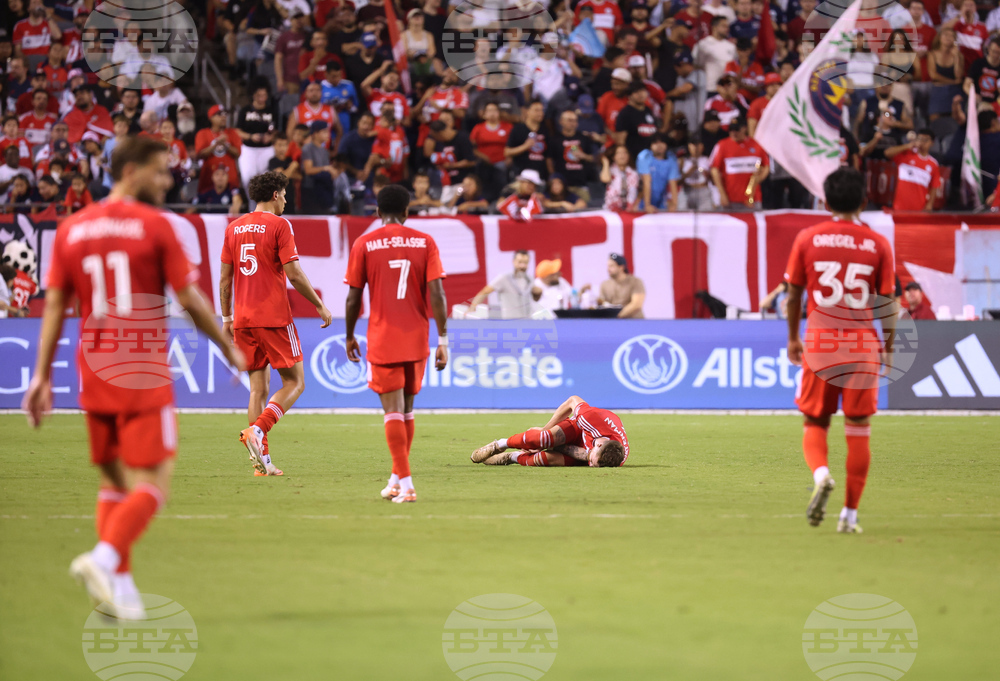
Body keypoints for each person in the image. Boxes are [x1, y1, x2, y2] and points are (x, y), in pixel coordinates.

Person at [22, 136, 245, 619]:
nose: (167, 181)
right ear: (130, 171)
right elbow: (188, 298)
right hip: (142, 368)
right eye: (159, 171)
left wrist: (41, 376)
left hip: (94, 367)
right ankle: (103, 558)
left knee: (113, 481)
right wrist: (227, 347)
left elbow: (56, 305)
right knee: (154, 482)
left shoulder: (73, 228)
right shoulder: (155, 225)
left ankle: (119, 588)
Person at [784, 167, 896, 534]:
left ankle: (821, 475)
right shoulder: (878, 244)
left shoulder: (808, 238)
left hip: (821, 343)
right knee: (858, 428)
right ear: (864, 200)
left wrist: (793, 337)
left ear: (825, 201)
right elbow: (887, 303)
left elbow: (794, 295)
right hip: (862, 345)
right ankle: (849, 515)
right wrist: (888, 346)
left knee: (815, 422)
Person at [221, 171, 332, 477]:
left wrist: (227, 318)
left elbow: (225, 279)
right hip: (273, 317)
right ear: (274, 195)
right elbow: (293, 273)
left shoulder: (233, 227)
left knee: (257, 388)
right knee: (296, 382)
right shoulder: (280, 225)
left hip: (243, 320)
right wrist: (319, 304)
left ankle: (263, 462)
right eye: (284, 195)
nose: (285, 201)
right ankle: (258, 429)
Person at [344, 184, 449, 503]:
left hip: (384, 337)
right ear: (406, 212)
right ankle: (395, 480)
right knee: (406, 410)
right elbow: (437, 294)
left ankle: (407, 485)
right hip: (416, 337)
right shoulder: (425, 241)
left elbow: (352, 298)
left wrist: (349, 335)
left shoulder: (364, 243)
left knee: (392, 412)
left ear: (377, 212)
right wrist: (443, 339)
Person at [470, 395, 629, 467]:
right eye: (592, 462)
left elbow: (586, 456)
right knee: (542, 439)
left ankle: (512, 457)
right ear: (599, 445)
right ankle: (499, 445)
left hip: (585, 446)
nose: (590, 465)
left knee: (543, 459)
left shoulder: (616, 458)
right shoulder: (590, 418)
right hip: (577, 429)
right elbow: (572, 400)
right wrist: (545, 429)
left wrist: (552, 449)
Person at [709, 116, 768, 208]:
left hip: (753, 199)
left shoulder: (756, 145)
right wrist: (722, 194)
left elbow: (766, 166)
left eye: (736, 130)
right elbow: (714, 170)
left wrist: (759, 179)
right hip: (730, 199)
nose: (733, 133)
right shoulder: (722, 145)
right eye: (731, 130)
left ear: (744, 128)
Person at [884, 129, 940, 211]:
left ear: (932, 143)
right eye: (920, 139)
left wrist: (930, 204)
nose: (922, 142)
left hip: (919, 207)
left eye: (925, 140)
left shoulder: (933, 163)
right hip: (899, 206)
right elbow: (887, 153)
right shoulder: (906, 154)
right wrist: (908, 146)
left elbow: (934, 185)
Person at [236, 84, 278, 192]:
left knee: (267, 180)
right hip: (248, 148)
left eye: (264, 95)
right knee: (248, 178)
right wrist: (250, 136)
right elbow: (237, 131)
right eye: (259, 95)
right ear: (254, 95)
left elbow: (276, 130)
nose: (262, 98)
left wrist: (270, 137)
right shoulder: (245, 110)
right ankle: (251, 202)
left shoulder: (272, 111)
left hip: (266, 148)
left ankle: (265, 202)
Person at [468, 250, 534, 319]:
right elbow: (484, 292)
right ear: (514, 261)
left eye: (525, 263)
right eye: (520, 262)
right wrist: (472, 308)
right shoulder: (504, 278)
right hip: (510, 321)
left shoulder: (529, 279)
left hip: (526, 321)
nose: (522, 266)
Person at [195, 105, 242, 194]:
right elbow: (200, 155)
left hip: (230, 179)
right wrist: (216, 143)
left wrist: (225, 144)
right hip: (208, 179)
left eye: (225, 114)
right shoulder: (203, 133)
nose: (223, 117)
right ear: (211, 118)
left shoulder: (232, 133)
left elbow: (238, 153)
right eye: (219, 114)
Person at [637, 133, 681, 211]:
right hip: (642, 199)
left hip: (661, 200)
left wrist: (674, 204)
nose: (659, 145)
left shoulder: (671, 159)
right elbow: (647, 182)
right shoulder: (644, 156)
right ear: (650, 145)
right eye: (655, 143)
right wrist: (647, 205)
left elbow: (673, 183)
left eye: (662, 142)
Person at [599, 253, 646, 318]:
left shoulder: (635, 282)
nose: (608, 269)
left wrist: (617, 316)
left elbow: (636, 305)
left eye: (611, 266)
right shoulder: (605, 284)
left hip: (634, 321)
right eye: (608, 266)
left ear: (621, 267)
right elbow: (602, 304)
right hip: (613, 322)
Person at [601, 144, 641, 211]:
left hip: (629, 209)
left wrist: (632, 206)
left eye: (625, 152)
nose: (622, 155)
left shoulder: (634, 172)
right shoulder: (610, 170)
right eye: (618, 153)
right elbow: (605, 179)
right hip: (610, 209)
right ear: (613, 157)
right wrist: (606, 163)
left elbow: (635, 191)